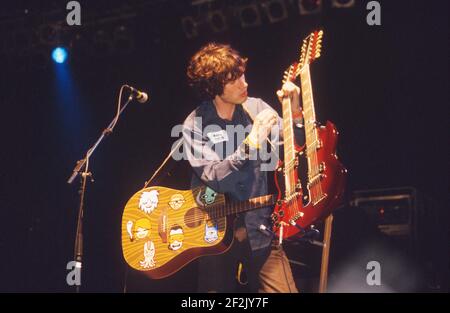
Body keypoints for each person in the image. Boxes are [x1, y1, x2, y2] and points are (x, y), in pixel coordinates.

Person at [182, 43, 303, 293]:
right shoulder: (194, 124)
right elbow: (216, 178)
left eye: (242, 75)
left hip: (260, 231)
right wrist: (251, 143)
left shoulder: (256, 108)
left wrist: (295, 111)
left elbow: (295, 148)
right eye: (233, 80)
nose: (244, 83)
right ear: (213, 87)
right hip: (216, 237)